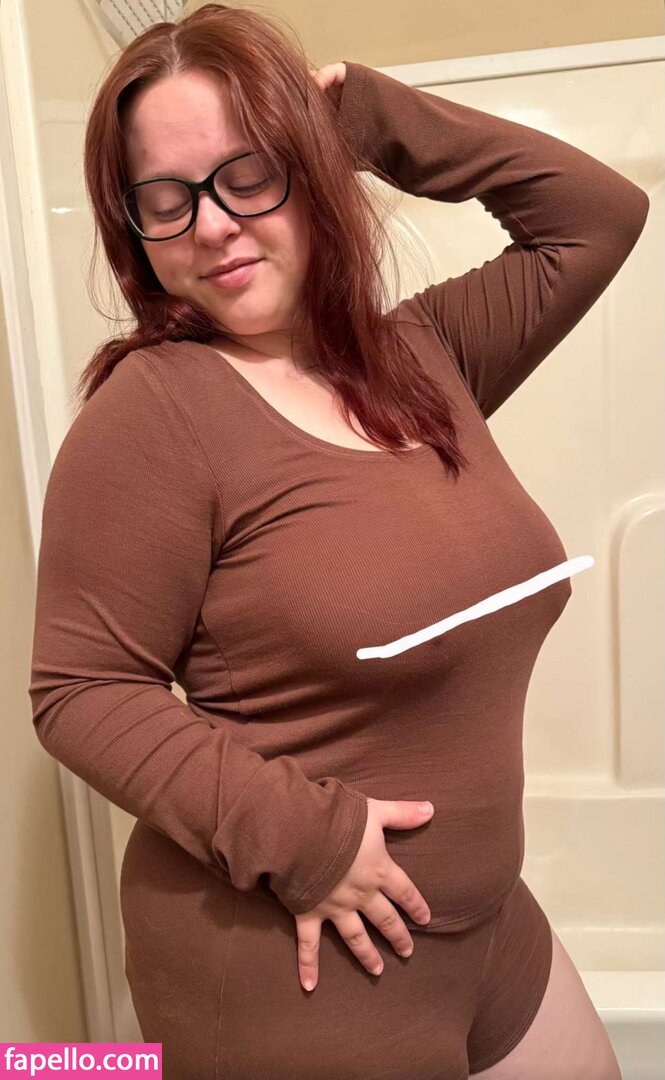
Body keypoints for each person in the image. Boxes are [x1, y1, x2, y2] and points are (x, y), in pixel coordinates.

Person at [28, 4, 648, 1078]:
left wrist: (367, 115)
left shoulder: (423, 357)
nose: (213, 225)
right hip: (300, 953)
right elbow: (79, 690)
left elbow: (596, 215)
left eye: (249, 173)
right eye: (167, 200)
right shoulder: (153, 411)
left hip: (485, 922)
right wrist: (307, 842)